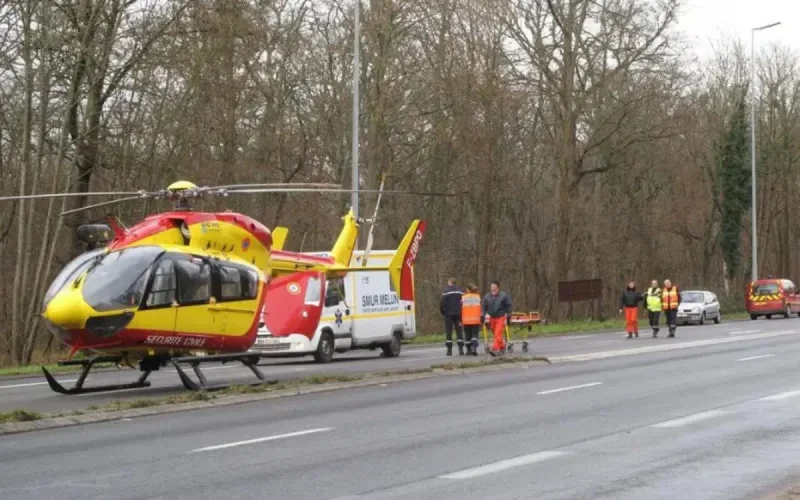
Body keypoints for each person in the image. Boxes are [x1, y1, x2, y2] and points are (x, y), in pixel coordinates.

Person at [481, 281, 511, 355]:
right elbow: (484, 307)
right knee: (496, 334)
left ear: (498, 288)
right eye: (492, 287)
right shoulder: (487, 296)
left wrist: (509, 316)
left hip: (501, 317)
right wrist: (482, 316)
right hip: (492, 318)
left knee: (498, 333)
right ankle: (502, 347)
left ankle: (494, 349)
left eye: (495, 287)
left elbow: (508, 306)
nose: (493, 289)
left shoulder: (503, 296)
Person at [440, 277, 464, 356]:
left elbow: (442, 302)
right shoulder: (460, 291)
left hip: (448, 314)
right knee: (459, 331)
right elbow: (463, 302)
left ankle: (449, 350)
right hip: (459, 314)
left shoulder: (446, 291)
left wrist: (443, 312)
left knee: (449, 331)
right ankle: (461, 349)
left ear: (449, 282)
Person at [461, 284, 481, 356]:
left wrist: (460, 319)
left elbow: (460, 307)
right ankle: (474, 347)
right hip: (475, 319)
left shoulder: (464, 297)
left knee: (467, 334)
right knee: (474, 334)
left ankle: (468, 350)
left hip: (466, 320)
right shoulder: (478, 297)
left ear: (468, 290)